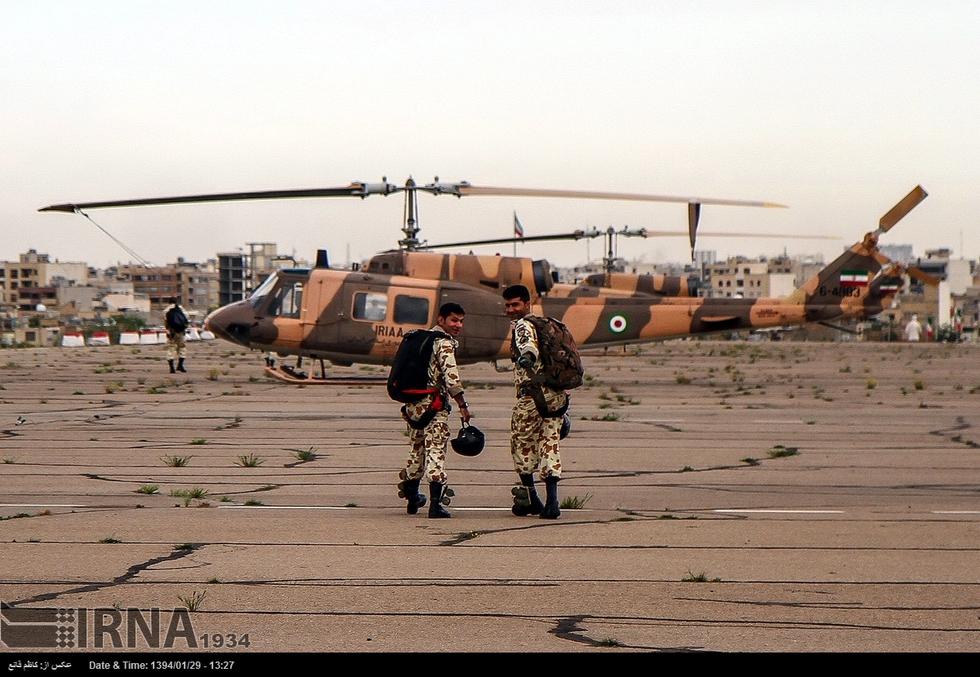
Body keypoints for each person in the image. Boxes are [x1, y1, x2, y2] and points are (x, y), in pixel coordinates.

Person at [398, 302, 471, 518]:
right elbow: (451, 377)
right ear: (441, 320)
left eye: (461, 321)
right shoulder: (443, 343)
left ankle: (412, 498)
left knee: (416, 450)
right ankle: (435, 505)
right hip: (434, 406)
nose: (458, 325)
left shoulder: (419, 339)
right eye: (454, 320)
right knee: (436, 451)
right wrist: (462, 405)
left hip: (413, 406)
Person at [503, 284, 568, 519]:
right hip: (555, 396)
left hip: (531, 396)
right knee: (550, 444)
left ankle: (532, 499)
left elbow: (527, 345)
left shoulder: (523, 325)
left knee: (522, 444)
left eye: (515, 304)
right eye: (507, 305)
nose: (510, 310)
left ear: (527, 303)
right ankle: (553, 502)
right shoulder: (546, 325)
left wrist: (527, 357)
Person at [164, 297, 189, 373]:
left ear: (169, 302)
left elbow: (165, 322)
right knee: (182, 348)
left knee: (171, 348)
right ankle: (180, 365)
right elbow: (187, 318)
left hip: (172, 332)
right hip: (181, 332)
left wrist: (168, 331)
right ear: (176, 302)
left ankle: (172, 368)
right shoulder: (181, 309)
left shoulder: (166, 310)